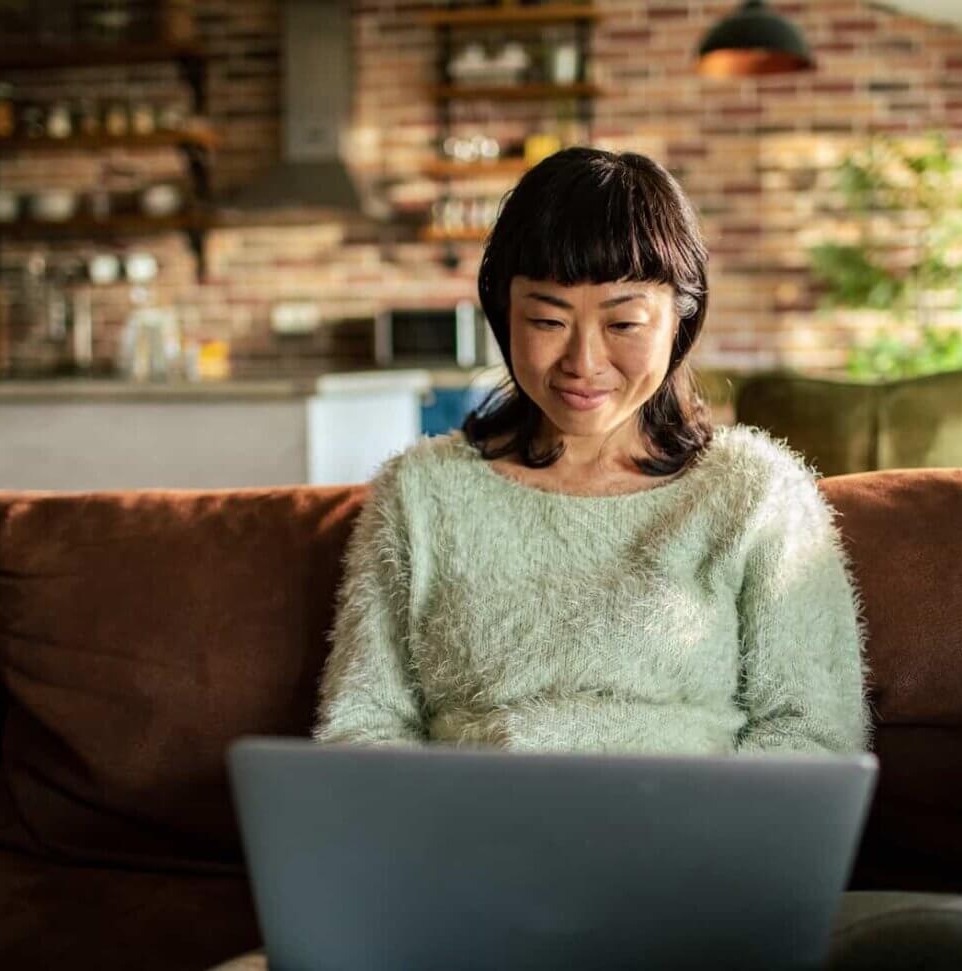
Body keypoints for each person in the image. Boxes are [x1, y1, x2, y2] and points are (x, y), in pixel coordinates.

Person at [312, 148, 873, 757]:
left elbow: (814, 733)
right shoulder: (418, 493)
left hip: (692, 838)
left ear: (679, 323)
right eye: (548, 322)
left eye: (624, 324)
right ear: (505, 318)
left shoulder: (755, 492)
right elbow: (363, 727)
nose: (583, 363)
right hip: (478, 837)